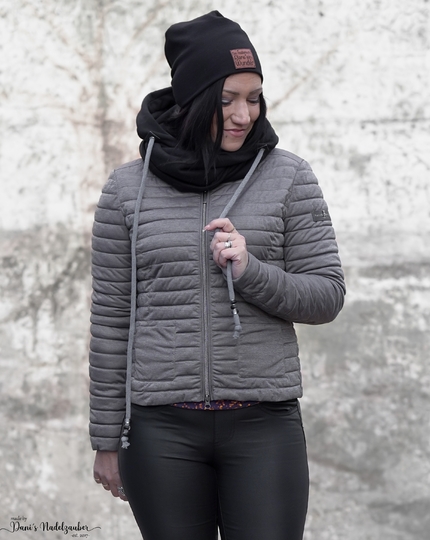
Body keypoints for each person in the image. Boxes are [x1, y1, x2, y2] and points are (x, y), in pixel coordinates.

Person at [89, 10, 345, 540]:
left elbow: (327, 295)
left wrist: (252, 271)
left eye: (254, 98)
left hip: (263, 426)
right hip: (159, 432)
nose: (243, 114)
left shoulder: (289, 177)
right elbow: (111, 322)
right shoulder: (125, 190)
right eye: (227, 99)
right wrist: (106, 439)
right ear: (192, 98)